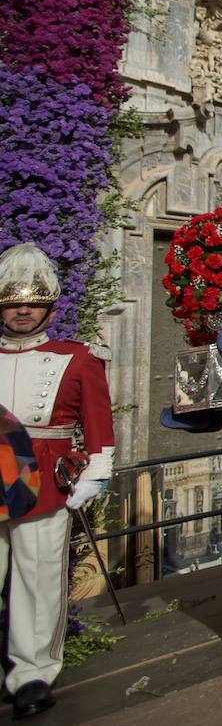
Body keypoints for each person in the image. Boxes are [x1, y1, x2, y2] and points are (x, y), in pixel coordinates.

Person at [0, 244, 116, 720]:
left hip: (41, 483)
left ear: (50, 307)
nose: (22, 310)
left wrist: (96, 474)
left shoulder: (78, 358)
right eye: (12, 301)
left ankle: (31, 674)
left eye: (32, 301)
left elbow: (99, 428)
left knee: (37, 579)